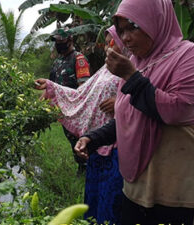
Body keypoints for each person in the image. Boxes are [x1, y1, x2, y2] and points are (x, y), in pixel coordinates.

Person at [74, 0, 194, 224]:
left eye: (133, 26)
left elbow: (177, 110)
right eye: (121, 31)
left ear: (156, 20)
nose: (125, 38)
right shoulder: (137, 63)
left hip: (172, 188)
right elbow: (126, 117)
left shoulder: (187, 56)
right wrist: (92, 138)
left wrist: (131, 77)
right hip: (136, 186)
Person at [35, 25, 128, 224]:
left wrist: (120, 103)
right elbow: (85, 93)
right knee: (94, 200)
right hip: (98, 138)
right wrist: (51, 87)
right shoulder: (104, 69)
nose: (108, 47)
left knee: (112, 200)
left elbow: (143, 99)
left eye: (112, 40)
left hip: (117, 143)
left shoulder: (132, 67)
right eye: (107, 41)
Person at [48, 28, 91, 175]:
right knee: (70, 137)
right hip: (62, 110)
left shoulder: (79, 60)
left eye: (61, 41)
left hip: (75, 108)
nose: (58, 44)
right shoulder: (57, 62)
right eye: (56, 42)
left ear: (70, 40)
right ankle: (81, 165)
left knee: (78, 137)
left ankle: (85, 166)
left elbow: (83, 88)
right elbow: (50, 86)